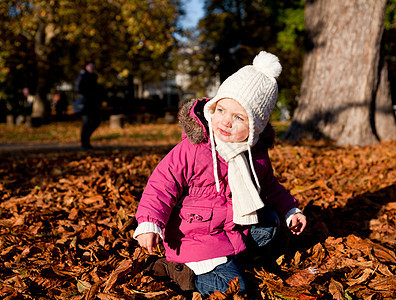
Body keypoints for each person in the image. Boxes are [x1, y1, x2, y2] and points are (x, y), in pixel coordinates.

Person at [133, 51, 307, 296]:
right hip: (194, 236)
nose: (226, 122)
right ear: (212, 108)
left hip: (229, 229)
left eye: (238, 117)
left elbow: (269, 185)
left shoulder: (253, 153)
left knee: (270, 222)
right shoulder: (193, 149)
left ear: (256, 127)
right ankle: (181, 271)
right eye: (221, 110)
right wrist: (150, 222)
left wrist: (290, 209)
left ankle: (237, 257)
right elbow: (162, 183)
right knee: (234, 290)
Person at [75, 61, 101, 149]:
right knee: (86, 122)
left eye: (93, 66)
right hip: (85, 103)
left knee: (96, 121)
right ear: (86, 66)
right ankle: (84, 142)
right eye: (91, 66)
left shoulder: (94, 76)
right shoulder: (82, 75)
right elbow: (78, 88)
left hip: (93, 103)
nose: (92, 68)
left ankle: (86, 140)